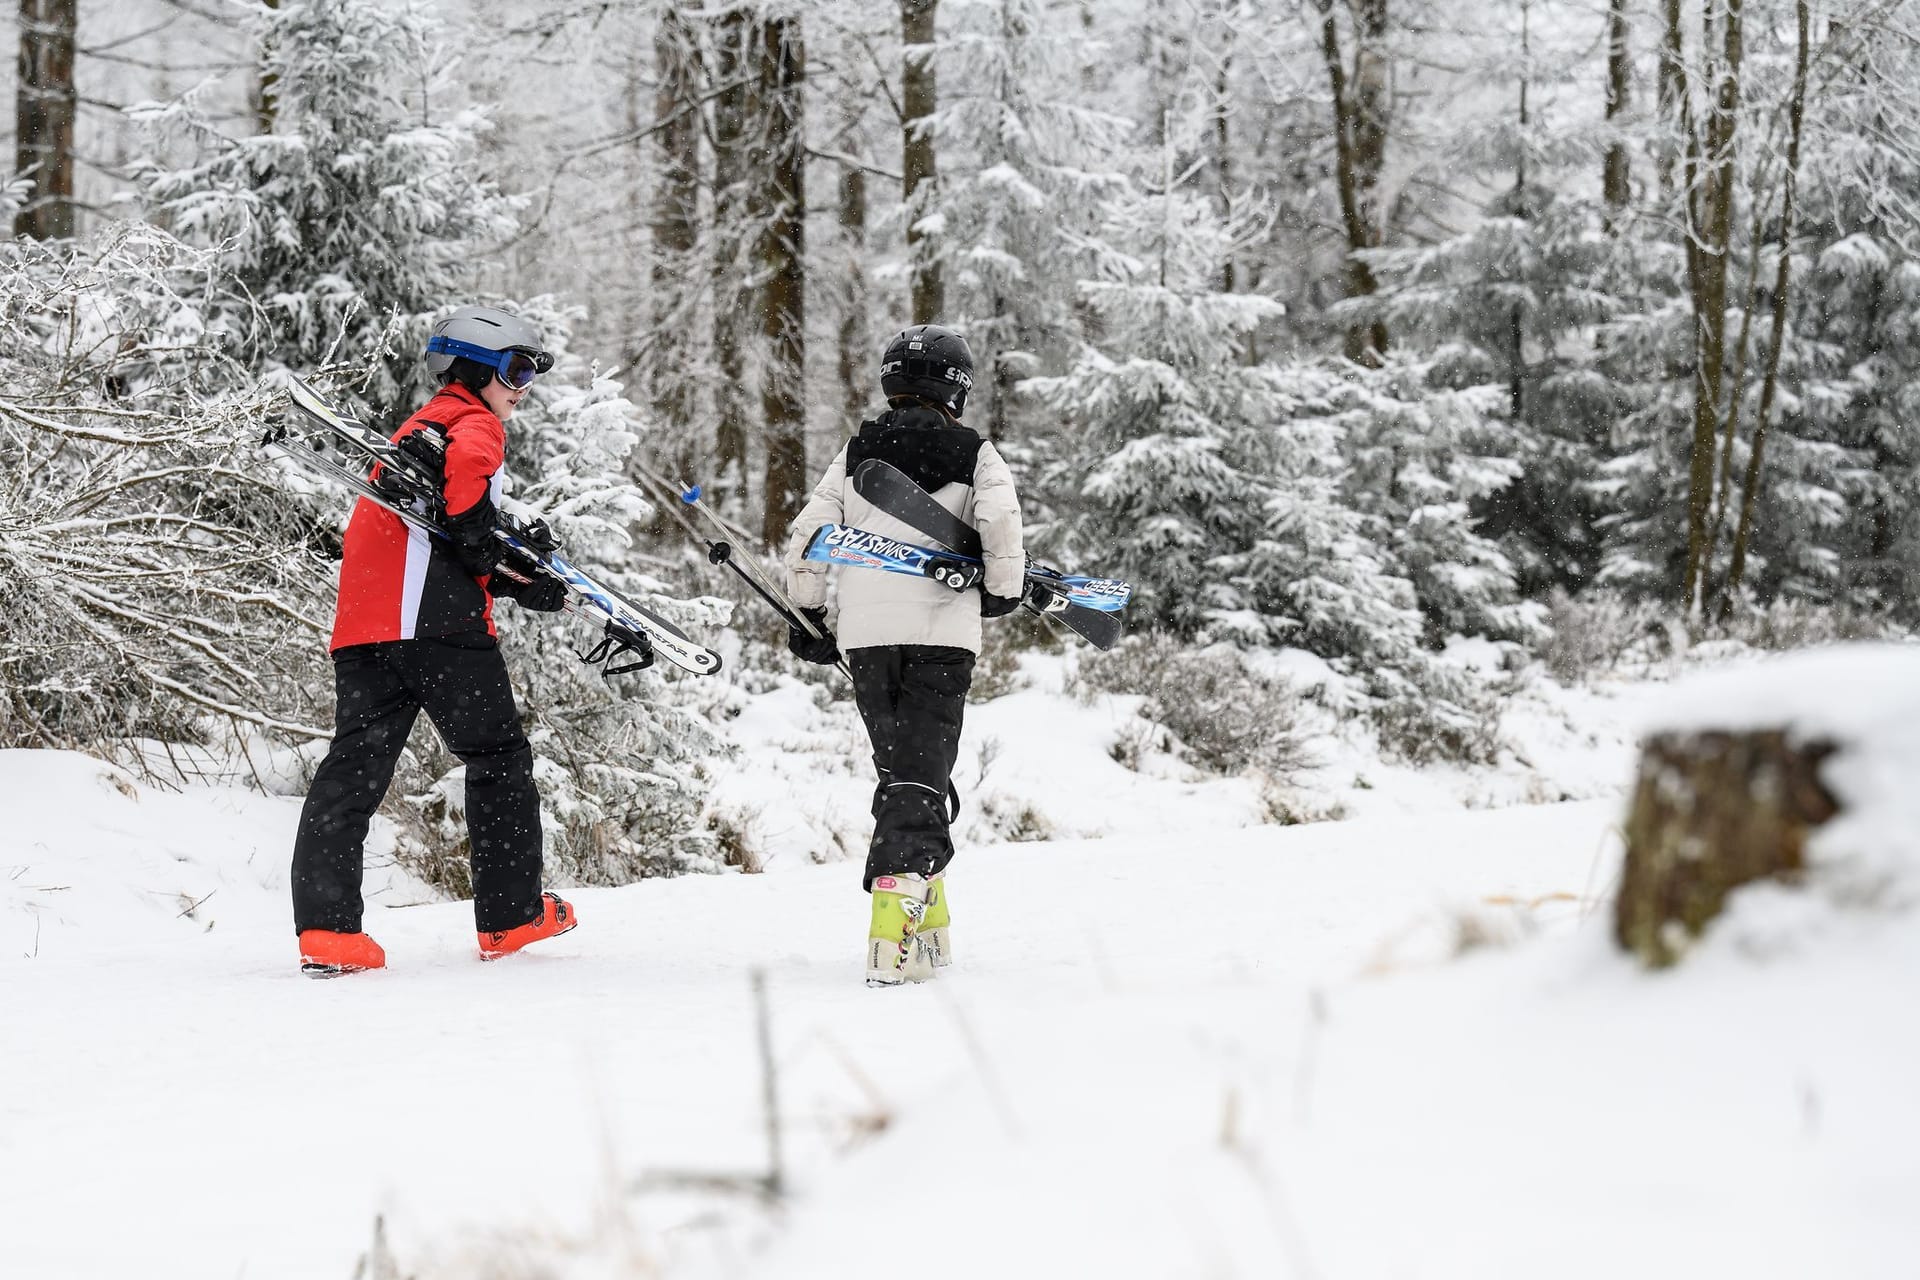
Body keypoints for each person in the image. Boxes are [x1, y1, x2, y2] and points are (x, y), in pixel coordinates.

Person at [290, 305, 578, 976]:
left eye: (530, 372)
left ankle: (329, 933)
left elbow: (447, 534)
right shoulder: (474, 425)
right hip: (438, 623)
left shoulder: (414, 432)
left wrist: (509, 573)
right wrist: (523, 576)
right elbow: (469, 528)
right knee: (499, 756)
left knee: (352, 772)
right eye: (515, 368)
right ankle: (511, 918)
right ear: (475, 369)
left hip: (364, 626)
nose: (523, 385)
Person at [783, 323, 1047, 986]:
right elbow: (1002, 524)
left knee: (902, 768)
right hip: (941, 633)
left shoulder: (856, 452)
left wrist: (806, 613)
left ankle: (929, 928)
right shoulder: (973, 452)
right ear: (957, 388)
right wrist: (1004, 590)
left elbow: (808, 533)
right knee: (921, 771)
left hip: (868, 638)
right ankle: (892, 920)